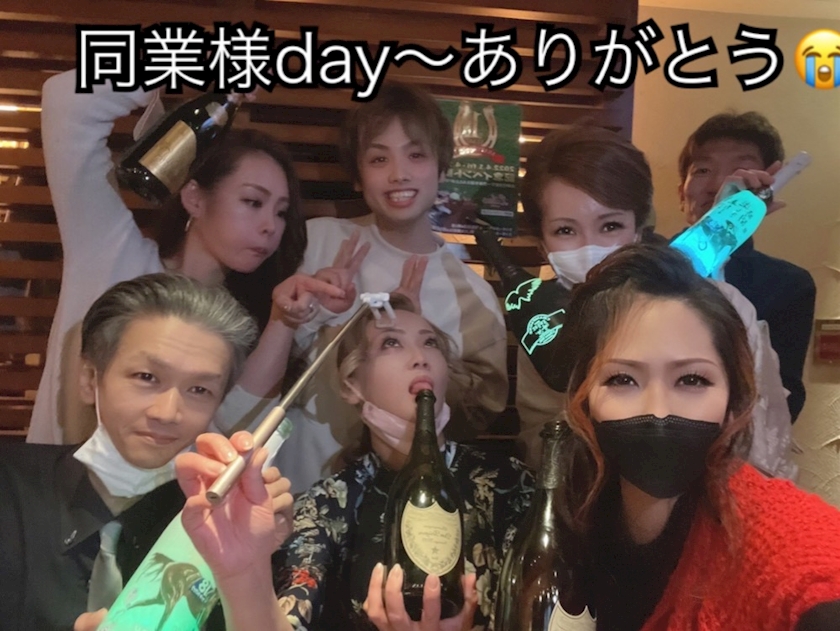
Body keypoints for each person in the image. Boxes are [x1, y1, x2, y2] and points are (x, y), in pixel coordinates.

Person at [173, 295, 535, 630]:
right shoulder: (328, 505)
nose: (420, 357)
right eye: (391, 343)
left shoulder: (508, 483)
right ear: (351, 385)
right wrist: (243, 574)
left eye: (430, 343)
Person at [219, 83, 509, 493]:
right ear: (357, 176)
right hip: (290, 487)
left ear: (442, 168)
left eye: (416, 155)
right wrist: (311, 319)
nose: (398, 173)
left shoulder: (474, 296)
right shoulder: (315, 242)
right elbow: (240, 383)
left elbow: (474, 419)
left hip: (403, 501)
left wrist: (420, 338)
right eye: (378, 158)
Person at [28, 68, 318, 446]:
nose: (271, 226)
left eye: (281, 212)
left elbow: (236, 437)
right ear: (194, 198)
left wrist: (285, 321)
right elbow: (67, 101)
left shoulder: (243, 322)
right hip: (51, 481)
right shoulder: (113, 255)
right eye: (252, 202)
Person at [561, 244, 840, 631]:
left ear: (732, 399)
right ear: (583, 396)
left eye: (692, 379)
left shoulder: (775, 536)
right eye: (622, 379)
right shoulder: (568, 507)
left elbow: (813, 568)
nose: (659, 410)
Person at [0, 273, 294, 631]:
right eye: (146, 377)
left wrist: (249, 570)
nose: (167, 413)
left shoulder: (223, 521)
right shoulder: (10, 488)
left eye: (199, 390)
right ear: (90, 379)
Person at [519, 127, 795, 479]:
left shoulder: (717, 304)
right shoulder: (540, 323)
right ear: (542, 244)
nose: (591, 246)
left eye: (610, 226)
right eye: (565, 230)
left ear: (638, 227)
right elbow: (539, 444)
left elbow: (763, 438)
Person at [677, 111, 816, 422]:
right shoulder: (637, 261)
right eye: (703, 170)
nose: (718, 186)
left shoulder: (788, 285)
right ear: (680, 194)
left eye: (741, 172)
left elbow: (784, 404)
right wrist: (714, 231)